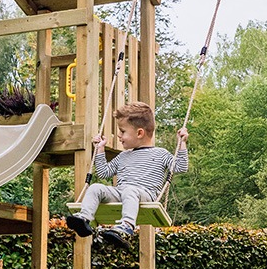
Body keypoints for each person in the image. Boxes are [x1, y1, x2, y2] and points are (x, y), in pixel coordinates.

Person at [65, 101, 188, 251]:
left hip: (145, 195)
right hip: (121, 193)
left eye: (122, 131)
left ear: (139, 133)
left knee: (130, 190)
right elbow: (104, 172)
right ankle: (84, 219)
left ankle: (127, 225)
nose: (119, 135)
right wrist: (100, 150)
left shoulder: (161, 154)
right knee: (96, 187)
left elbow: (181, 167)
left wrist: (182, 144)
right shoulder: (123, 156)